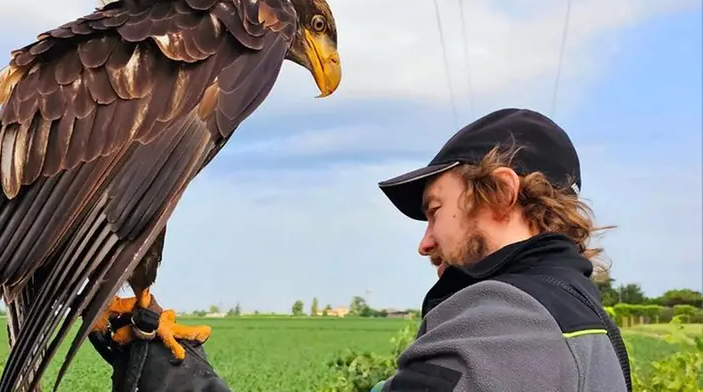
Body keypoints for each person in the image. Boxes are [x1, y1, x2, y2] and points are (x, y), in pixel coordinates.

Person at [89, 108, 633, 392]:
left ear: (502, 195)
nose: (424, 242)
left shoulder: (504, 322)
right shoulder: (590, 330)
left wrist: (172, 378)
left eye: (436, 210)